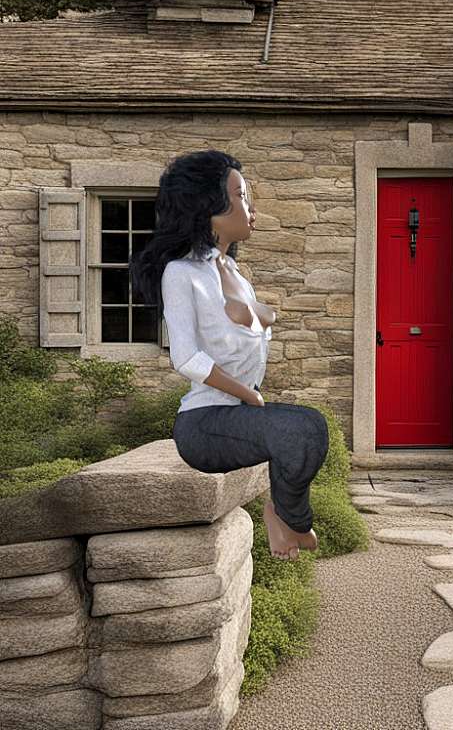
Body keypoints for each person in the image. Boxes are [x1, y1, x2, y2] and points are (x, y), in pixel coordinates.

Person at [130, 149, 329, 561]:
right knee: (297, 432)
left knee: (312, 424)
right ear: (209, 208)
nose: (250, 208)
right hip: (203, 425)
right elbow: (186, 358)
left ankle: (280, 515)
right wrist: (247, 394)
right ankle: (293, 523)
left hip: (237, 413)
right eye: (240, 196)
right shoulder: (181, 274)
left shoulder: (236, 275)